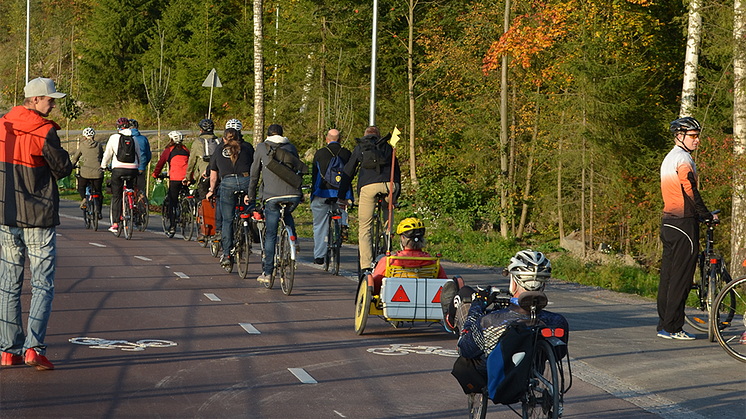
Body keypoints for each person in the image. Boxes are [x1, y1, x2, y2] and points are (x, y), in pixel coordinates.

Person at [0, 77, 73, 370]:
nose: (53, 104)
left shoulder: (3, 125)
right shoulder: (45, 131)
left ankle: (7, 350)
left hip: (6, 216)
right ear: (34, 100)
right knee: (42, 284)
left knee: (9, 284)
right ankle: (33, 348)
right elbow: (62, 168)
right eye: (49, 99)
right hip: (39, 217)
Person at [443, 250, 568, 378]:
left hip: (493, 377)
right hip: (532, 373)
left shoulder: (490, 321)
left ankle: (450, 321)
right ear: (543, 285)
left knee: (465, 295)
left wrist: (478, 303)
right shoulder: (558, 321)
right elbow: (559, 354)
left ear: (513, 283)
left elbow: (466, 349)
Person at [658, 117, 715, 341]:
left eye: (697, 135)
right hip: (683, 223)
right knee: (682, 277)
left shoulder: (669, 158)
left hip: (669, 223)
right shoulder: (683, 159)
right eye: (693, 136)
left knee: (668, 276)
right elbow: (690, 191)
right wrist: (707, 215)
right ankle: (673, 327)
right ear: (680, 136)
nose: (697, 140)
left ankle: (664, 325)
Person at [337, 126, 401, 273]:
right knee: (387, 214)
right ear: (378, 135)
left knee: (365, 227)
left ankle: (366, 266)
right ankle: (388, 248)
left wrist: (342, 196)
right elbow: (396, 170)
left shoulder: (361, 147)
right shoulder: (388, 145)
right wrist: (396, 196)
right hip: (390, 185)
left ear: (365, 135)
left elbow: (349, 171)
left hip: (369, 187)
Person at [248, 124, 303, 283]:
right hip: (293, 194)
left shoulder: (261, 147)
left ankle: (268, 273)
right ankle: (293, 239)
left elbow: (254, 175)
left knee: (271, 234)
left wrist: (251, 196)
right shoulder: (291, 147)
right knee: (287, 214)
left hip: (272, 197)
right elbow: (297, 170)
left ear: (267, 135)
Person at [206, 128, 255, 268]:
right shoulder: (247, 147)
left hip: (227, 183)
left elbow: (214, 176)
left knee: (227, 220)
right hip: (246, 181)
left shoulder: (218, 150)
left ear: (224, 139)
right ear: (240, 137)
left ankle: (227, 254)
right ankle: (248, 235)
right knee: (248, 210)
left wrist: (211, 190)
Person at [367, 218, 448, 294]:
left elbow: (375, 288)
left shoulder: (389, 261)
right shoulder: (433, 263)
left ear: (402, 238)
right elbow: (445, 287)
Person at [310, 129, 353, 265]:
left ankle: (319, 256)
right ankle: (343, 225)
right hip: (342, 194)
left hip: (322, 193)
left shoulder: (320, 153)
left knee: (319, 225)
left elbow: (314, 177)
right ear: (340, 140)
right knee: (342, 209)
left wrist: (312, 194)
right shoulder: (347, 153)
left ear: (327, 140)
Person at [101, 117, 141, 233]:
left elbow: (107, 154)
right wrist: (137, 167)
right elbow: (138, 154)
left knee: (117, 196)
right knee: (130, 187)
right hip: (132, 169)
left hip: (118, 170)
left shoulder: (114, 138)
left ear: (118, 127)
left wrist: (103, 166)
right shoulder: (134, 138)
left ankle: (115, 224)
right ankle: (130, 201)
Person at [153, 131, 190, 234]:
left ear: (171, 140)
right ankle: (186, 212)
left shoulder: (168, 150)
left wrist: (155, 174)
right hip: (186, 178)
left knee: (172, 201)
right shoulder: (186, 150)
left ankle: (172, 226)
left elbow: (160, 163)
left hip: (174, 179)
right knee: (184, 195)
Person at [70, 127, 104, 219]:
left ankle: (84, 198)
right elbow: (101, 156)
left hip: (85, 172)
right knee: (99, 192)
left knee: (81, 187)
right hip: (97, 172)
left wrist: (72, 165)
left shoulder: (82, 145)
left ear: (84, 137)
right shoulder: (99, 145)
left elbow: (76, 157)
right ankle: (99, 212)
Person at [128, 119, 152, 196]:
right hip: (141, 165)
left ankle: (129, 202)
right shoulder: (144, 139)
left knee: (129, 186)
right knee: (141, 188)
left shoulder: (126, 139)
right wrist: (144, 164)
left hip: (130, 166)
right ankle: (141, 203)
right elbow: (148, 154)